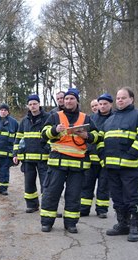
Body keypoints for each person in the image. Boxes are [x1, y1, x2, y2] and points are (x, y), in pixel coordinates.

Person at [40, 88, 100, 233]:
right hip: (57, 163)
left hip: (78, 165)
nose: (68, 101)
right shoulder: (55, 116)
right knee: (51, 193)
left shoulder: (86, 118)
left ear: (77, 101)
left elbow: (98, 136)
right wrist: (55, 130)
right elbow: (43, 134)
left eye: (71, 99)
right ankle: (47, 222)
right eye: (66, 99)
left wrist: (87, 136)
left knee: (74, 195)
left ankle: (71, 223)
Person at [102, 87, 138, 242]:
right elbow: (104, 141)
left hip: (130, 167)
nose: (120, 100)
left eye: (123, 98)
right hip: (112, 167)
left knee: (131, 198)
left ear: (131, 99)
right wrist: (104, 159)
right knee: (117, 198)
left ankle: (134, 227)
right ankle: (122, 224)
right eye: (118, 98)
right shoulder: (110, 120)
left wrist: (131, 155)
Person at [13, 95, 50, 213]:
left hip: (44, 158)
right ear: (28, 106)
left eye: (35, 103)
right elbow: (18, 137)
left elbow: (53, 137)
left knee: (46, 184)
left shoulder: (48, 118)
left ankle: (47, 205)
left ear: (39, 104)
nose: (33, 106)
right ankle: (32, 205)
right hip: (27, 159)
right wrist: (15, 154)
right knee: (29, 183)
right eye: (30, 104)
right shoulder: (24, 121)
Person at [80, 93, 113, 218]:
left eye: (106, 104)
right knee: (87, 184)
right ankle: (84, 208)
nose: (102, 106)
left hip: (107, 158)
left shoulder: (115, 118)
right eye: (100, 104)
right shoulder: (91, 118)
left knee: (104, 185)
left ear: (111, 104)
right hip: (91, 157)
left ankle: (102, 209)